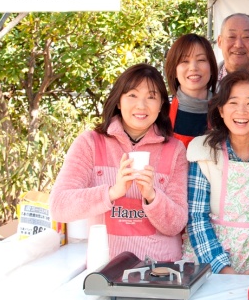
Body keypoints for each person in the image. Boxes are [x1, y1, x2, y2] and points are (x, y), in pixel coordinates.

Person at [50, 64, 188, 261]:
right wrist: (112, 192)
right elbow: (59, 206)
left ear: (161, 106)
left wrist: (152, 196)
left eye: (151, 97)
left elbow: (177, 224)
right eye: (132, 95)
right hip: (107, 268)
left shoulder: (174, 150)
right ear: (118, 101)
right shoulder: (90, 143)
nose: (141, 105)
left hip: (161, 270)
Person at [182, 70, 249, 275]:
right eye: (233, 102)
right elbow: (196, 218)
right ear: (221, 110)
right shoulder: (202, 151)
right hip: (208, 263)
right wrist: (224, 270)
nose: (241, 111)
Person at [164, 33, 218, 148]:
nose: (193, 67)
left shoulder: (224, 112)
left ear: (212, 67)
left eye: (201, 60)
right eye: (185, 61)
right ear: (174, 70)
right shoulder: (162, 113)